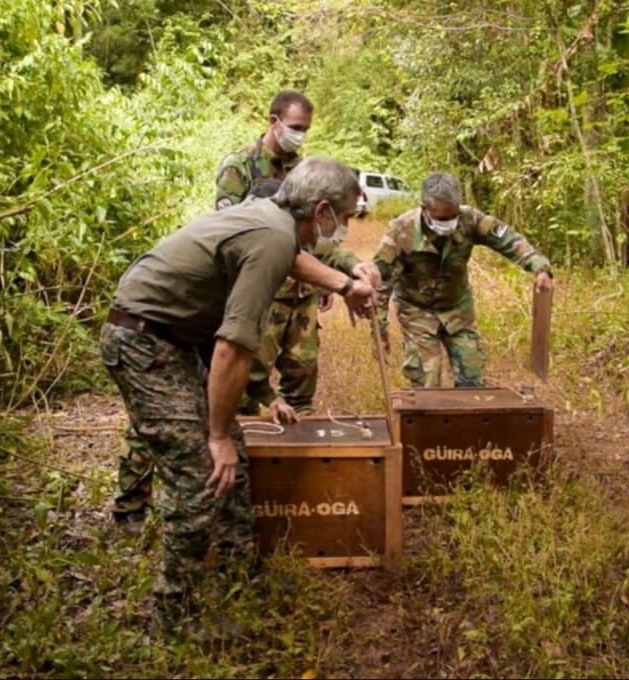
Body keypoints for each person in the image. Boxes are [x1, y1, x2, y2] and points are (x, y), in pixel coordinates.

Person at [99, 158, 376, 628]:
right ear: (323, 210)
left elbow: (291, 259)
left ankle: (239, 576)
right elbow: (232, 346)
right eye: (346, 218)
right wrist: (218, 435)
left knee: (236, 464)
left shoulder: (273, 219)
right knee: (203, 472)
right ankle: (176, 616)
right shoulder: (272, 234)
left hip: (171, 336)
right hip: (143, 341)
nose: (346, 229)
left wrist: (345, 284)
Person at [213, 91, 370, 422]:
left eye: (306, 129)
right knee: (246, 380)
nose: (301, 135)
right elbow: (235, 233)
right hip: (265, 288)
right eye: (296, 126)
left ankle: (302, 454)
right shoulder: (239, 166)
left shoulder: (303, 170)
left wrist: (334, 275)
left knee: (302, 377)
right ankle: (241, 449)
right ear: (275, 122)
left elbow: (317, 235)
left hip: (303, 291)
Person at [373, 171, 554, 388]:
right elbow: (380, 283)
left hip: (457, 308)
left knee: (472, 376)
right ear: (425, 209)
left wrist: (539, 267)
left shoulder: (471, 219)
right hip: (416, 310)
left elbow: (509, 240)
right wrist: (379, 332)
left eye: (454, 215)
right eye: (442, 218)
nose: (449, 223)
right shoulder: (401, 231)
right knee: (426, 380)